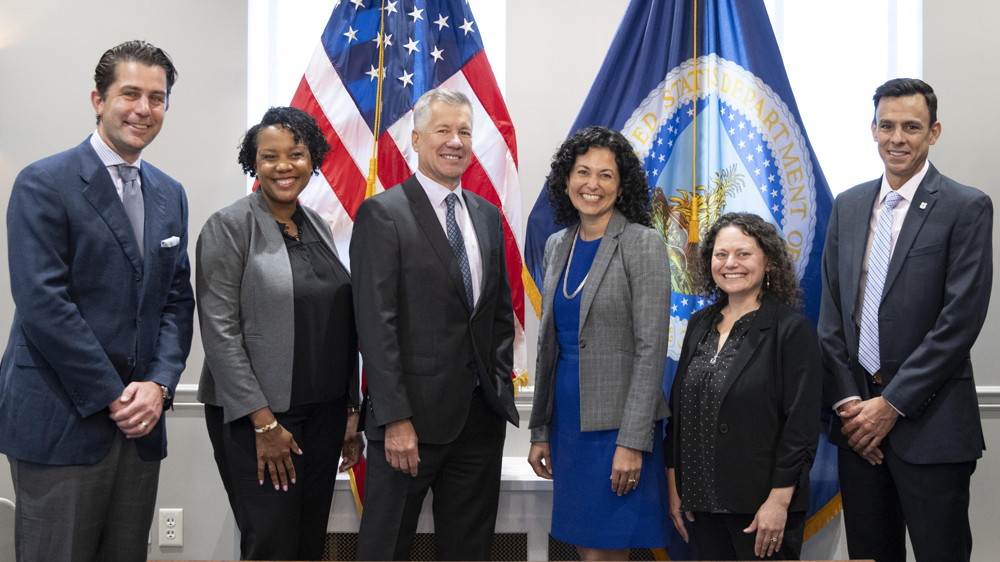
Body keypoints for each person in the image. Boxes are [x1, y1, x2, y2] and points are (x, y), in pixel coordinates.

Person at [0, 41, 194, 562]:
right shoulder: (43, 182)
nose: (143, 109)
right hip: (62, 421)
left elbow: (177, 301)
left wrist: (159, 385)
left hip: (141, 426)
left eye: (157, 98)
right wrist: (115, 396)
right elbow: (44, 304)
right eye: (129, 93)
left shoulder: (169, 193)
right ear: (98, 99)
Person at [818, 78, 992, 562]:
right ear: (872, 129)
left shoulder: (966, 206)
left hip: (930, 426)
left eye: (911, 127)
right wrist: (854, 405)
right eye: (888, 125)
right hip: (857, 429)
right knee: (870, 555)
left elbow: (960, 320)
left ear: (933, 132)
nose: (898, 137)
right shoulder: (849, 206)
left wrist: (890, 405)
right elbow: (832, 317)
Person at [351, 88, 519, 561]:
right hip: (409, 425)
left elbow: (498, 317)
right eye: (443, 130)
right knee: (386, 548)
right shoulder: (383, 213)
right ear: (417, 137)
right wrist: (395, 418)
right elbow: (375, 325)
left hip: (479, 421)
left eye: (464, 131)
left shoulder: (486, 216)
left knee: (469, 551)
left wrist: (498, 385)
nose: (455, 141)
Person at [197, 106, 363, 560]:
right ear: (254, 162)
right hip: (264, 419)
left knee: (309, 543)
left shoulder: (318, 225)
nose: (284, 165)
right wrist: (264, 422)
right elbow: (220, 333)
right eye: (269, 156)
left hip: (325, 415)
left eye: (296, 153)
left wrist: (351, 410)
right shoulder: (229, 227)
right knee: (272, 544)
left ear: (314, 159)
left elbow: (341, 322)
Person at [526, 126, 671, 560]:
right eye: (582, 172)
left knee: (605, 552)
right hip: (567, 424)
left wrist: (632, 441)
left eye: (606, 175)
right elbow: (547, 347)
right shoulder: (557, 245)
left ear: (622, 185)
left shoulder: (643, 243)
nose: (592, 184)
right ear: (565, 180)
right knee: (585, 549)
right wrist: (540, 430)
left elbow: (651, 350)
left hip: (618, 427)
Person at [666, 213, 822, 561]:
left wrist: (778, 502)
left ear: (768, 261)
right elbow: (679, 416)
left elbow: (801, 428)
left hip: (762, 510)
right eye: (721, 254)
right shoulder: (699, 324)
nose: (730, 264)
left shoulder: (790, 329)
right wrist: (676, 486)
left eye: (743, 254)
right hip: (701, 505)